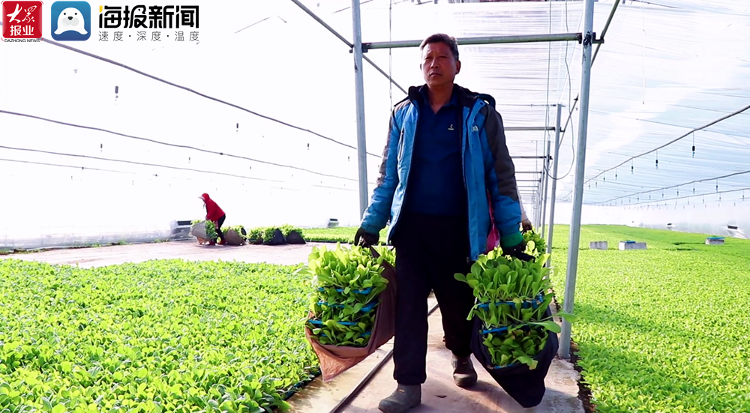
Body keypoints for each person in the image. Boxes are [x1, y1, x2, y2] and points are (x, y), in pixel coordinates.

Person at [354, 33, 527, 413]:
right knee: (409, 308)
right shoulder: (403, 113)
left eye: (442, 57)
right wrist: (371, 223)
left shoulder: (479, 114)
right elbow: (388, 175)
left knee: (457, 304)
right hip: (412, 230)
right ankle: (407, 384)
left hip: (459, 230)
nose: (434, 63)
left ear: (457, 65)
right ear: (422, 66)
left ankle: (462, 355)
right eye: (428, 58)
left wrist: (512, 234)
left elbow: (500, 176)